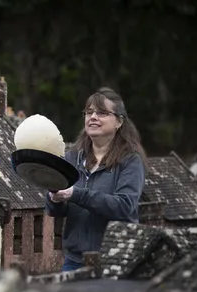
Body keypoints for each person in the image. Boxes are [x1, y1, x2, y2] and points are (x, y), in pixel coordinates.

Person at [46, 87, 147, 271]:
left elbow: (124, 206)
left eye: (101, 113)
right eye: (89, 112)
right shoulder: (72, 158)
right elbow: (56, 211)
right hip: (74, 261)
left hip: (116, 261)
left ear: (119, 121)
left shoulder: (130, 160)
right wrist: (54, 198)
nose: (93, 117)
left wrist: (76, 194)